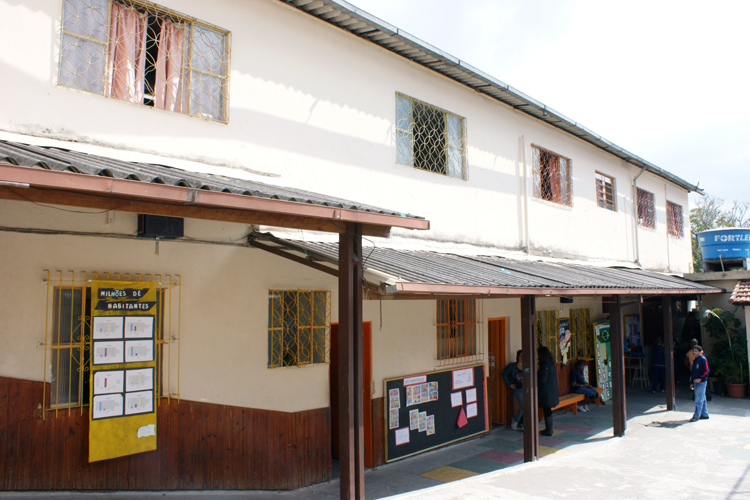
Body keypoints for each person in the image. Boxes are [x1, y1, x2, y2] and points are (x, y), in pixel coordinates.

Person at [537, 346, 559, 436]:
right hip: (551, 392)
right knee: (548, 410)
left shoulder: (544, 366)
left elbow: (543, 380)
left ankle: (549, 429)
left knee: (547, 410)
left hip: (546, 393)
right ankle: (549, 428)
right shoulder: (551, 364)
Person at [502, 350, 524, 430]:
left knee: (528, 405)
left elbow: (529, 374)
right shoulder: (512, 366)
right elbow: (504, 374)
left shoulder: (526, 366)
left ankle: (522, 423)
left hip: (526, 388)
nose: (522, 358)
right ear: (518, 357)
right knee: (524, 406)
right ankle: (515, 420)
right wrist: (509, 384)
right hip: (517, 389)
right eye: (521, 356)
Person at [689, 345, 710, 422]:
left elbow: (706, 371)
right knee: (702, 397)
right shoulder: (695, 360)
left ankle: (696, 415)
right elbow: (693, 372)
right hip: (695, 381)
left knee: (698, 398)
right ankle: (704, 414)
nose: (694, 352)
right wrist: (691, 382)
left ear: (701, 352)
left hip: (701, 382)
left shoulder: (702, 359)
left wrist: (700, 378)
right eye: (693, 351)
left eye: (696, 351)